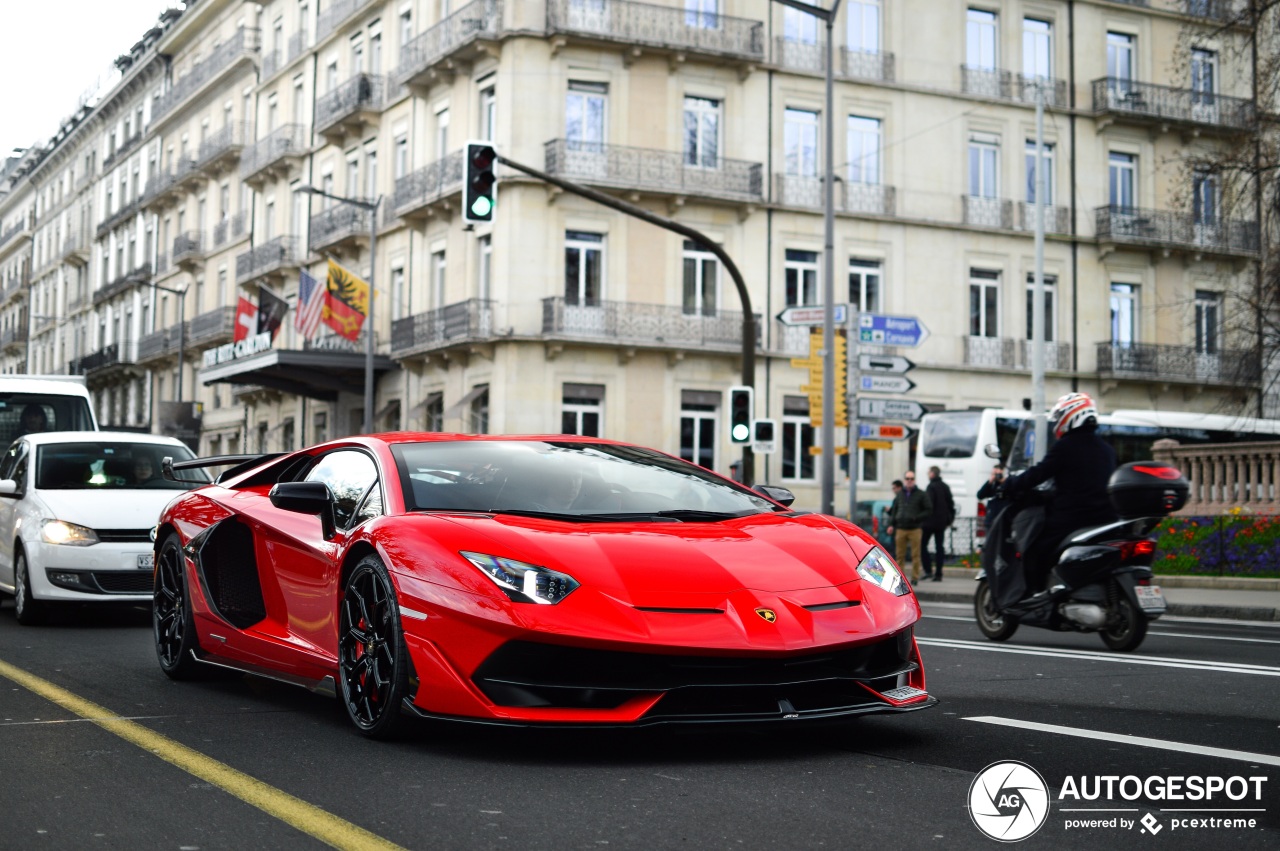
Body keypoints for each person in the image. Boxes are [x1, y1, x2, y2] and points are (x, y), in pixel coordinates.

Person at [1002, 392, 1118, 593]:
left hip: (1073, 517)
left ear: (1070, 415)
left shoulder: (1066, 446)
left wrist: (1010, 483)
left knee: (1033, 547)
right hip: (1105, 518)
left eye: (1059, 417)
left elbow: (1037, 474)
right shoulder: (1107, 449)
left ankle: (1035, 595)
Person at [886, 470, 931, 584]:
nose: (909, 481)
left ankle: (915, 578)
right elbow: (895, 510)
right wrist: (891, 524)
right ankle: (900, 579)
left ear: (914, 480)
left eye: (911, 479)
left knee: (915, 555)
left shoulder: (921, 494)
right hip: (901, 528)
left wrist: (917, 518)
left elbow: (929, 509)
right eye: (907, 478)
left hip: (915, 528)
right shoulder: (900, 494)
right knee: (899, 556)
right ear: (904, 480)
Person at [921, 465, 955, 581]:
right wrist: (949, 519)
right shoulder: (945, 487)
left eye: (928, 472)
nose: (927, 474)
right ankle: (938, 573)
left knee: (922, 545)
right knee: (939, 547)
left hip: (929, 523)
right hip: (941, 523)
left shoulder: (931, 487)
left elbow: (928, 505)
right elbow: (951, 504)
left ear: (932, 474)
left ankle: (928, 570)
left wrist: (923, 518)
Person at [976, 464, 1009, 532]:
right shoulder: (991, 485)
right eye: (993, 474)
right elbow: (980, 495)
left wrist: (1003, 481)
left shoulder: (1008, 484)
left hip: (1004, 521)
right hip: (991, 521)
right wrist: (990, 481)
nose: (996, 476)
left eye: (998, 474)